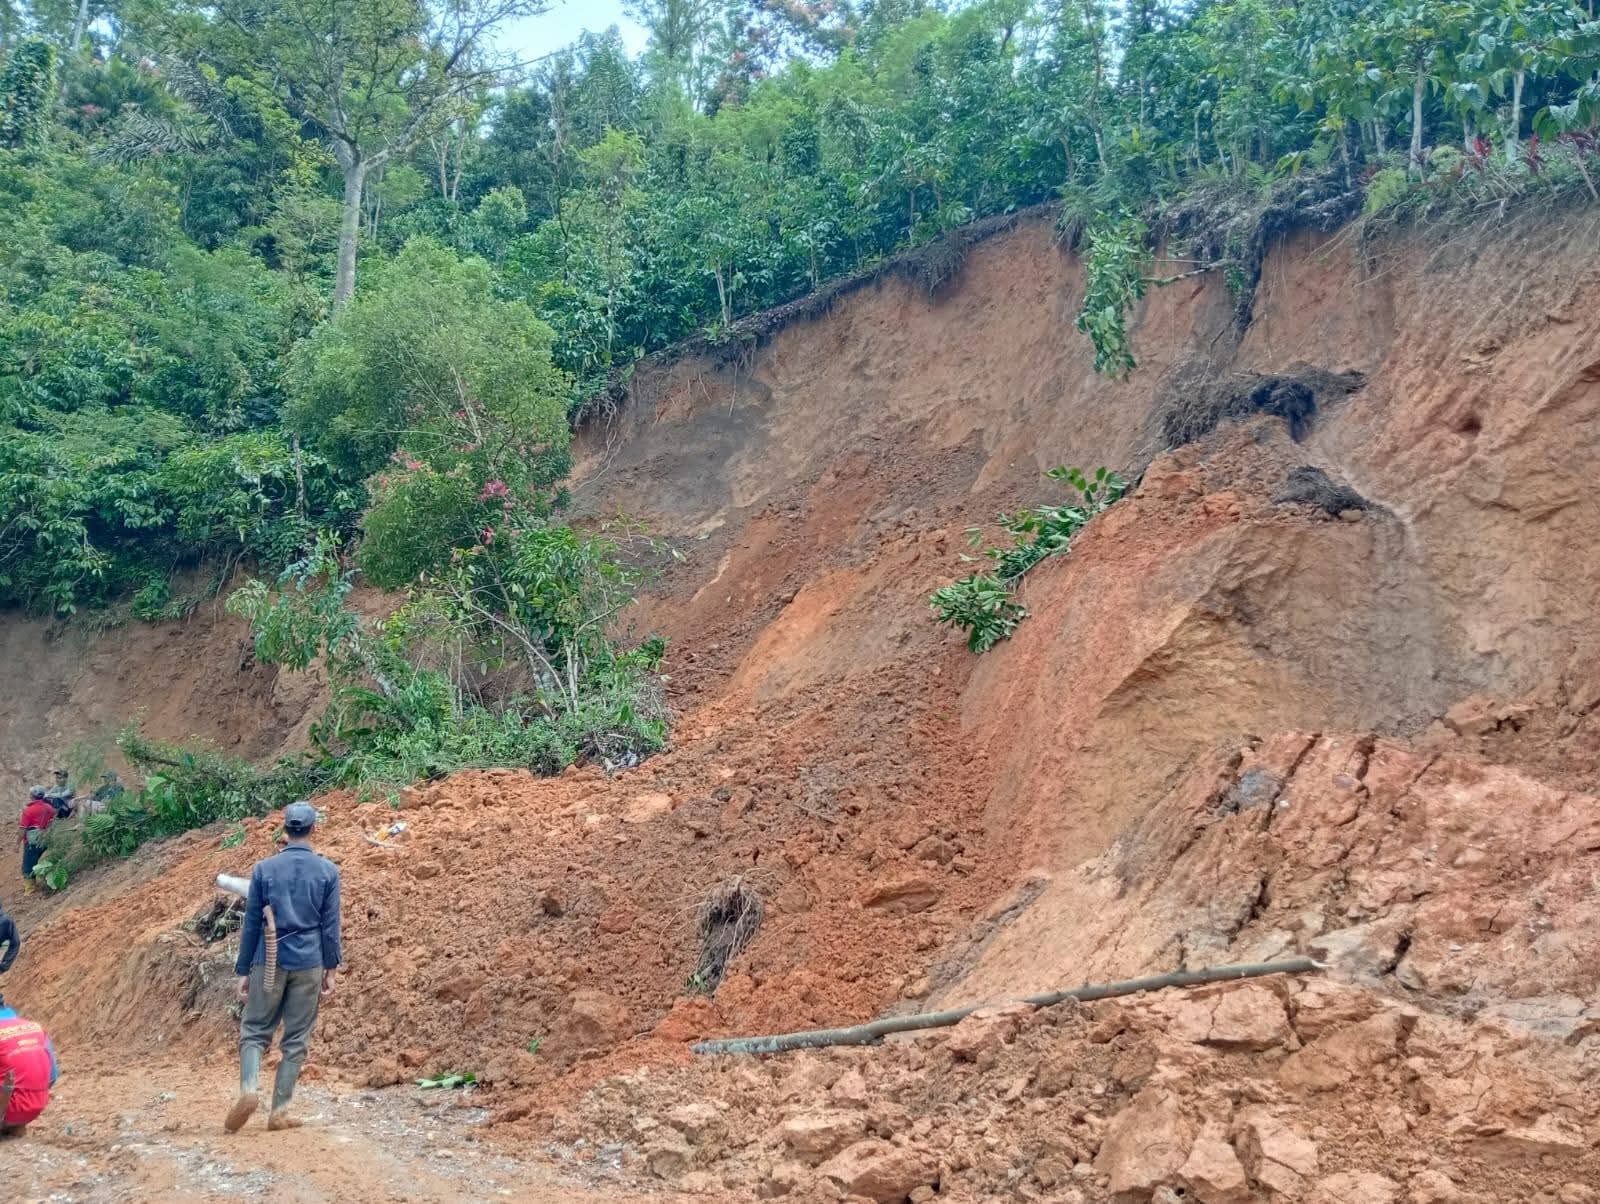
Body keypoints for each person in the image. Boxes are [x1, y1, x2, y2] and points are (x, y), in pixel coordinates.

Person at [226, 801, 341, 1134]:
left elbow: (250, 924)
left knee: (254, 1030)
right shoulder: (327, 871)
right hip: (309, 961)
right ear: (314, 830)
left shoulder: (264, 869)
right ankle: (279, 1111)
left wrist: (244, 969)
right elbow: (330, 926)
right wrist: (331, 968)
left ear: (285, 830)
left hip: (270, 958)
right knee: (296, 1038)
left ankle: (249, 1088)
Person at [0, 993, 58, 1136]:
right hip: (35, 1107)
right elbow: (53, 1076)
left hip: (6, 1109)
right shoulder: (34, 1027)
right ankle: (15, 1126)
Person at [18, 788, 54, 893]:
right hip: (46, 839)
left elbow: (22, 828)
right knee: (44, 861)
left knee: (28, 865)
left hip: (32, 842)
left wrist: (17, 844)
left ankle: (30, 889)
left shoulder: (28, 810)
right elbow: (52, 822)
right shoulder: (49, 808)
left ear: (32, 796)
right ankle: (48, 883)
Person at [0, 902, 18, 975]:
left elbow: (15, 944)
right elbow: (15, 944)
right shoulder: (6, 921)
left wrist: (3, 966)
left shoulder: (6, 922)